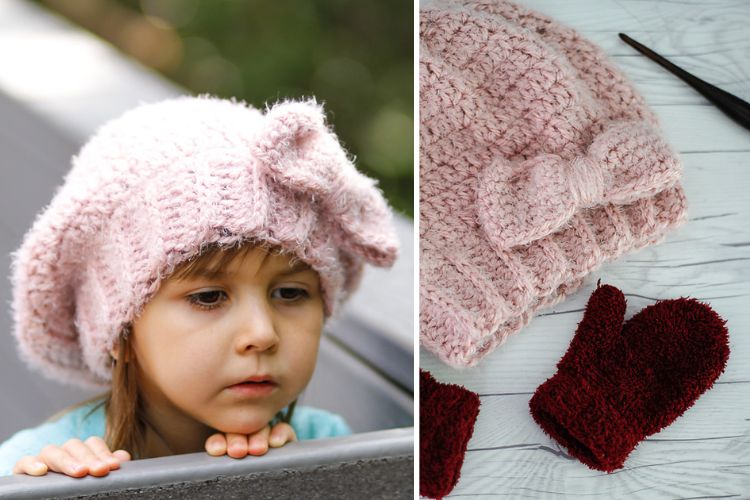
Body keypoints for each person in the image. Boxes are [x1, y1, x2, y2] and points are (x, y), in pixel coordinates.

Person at [0, 95, 399, 477]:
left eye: (290, 293)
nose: (261, 334)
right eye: (209, 297)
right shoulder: (31, 470)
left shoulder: (326, 448)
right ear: (119, 332)